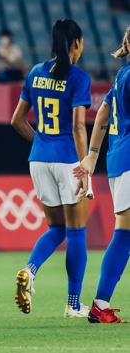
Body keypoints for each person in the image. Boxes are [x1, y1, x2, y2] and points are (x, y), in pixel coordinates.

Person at [10, 19, 92, 317]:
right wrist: (85, 167)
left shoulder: (35, 72)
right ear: (75, 44)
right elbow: (79, 126)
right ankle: (73, 304)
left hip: (39, 161)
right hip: (68, 160)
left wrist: (41, 143)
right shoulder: (78, 77)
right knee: (77, 231)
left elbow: (16, 121)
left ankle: (30, 271)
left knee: (56, 228)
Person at [73, 26, 130, 324]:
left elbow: (104, 114)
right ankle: (99, 303)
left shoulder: (122, 77)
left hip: (119, 160)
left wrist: (92, 156)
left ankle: (100, 304)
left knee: (126, 232)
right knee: (125, 232)